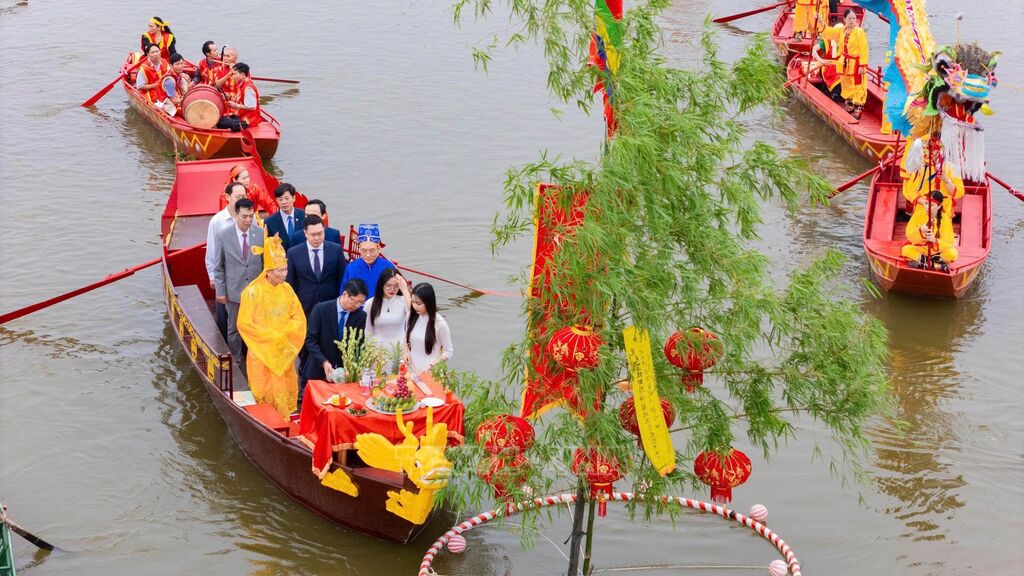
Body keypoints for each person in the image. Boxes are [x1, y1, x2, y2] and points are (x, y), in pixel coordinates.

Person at [236, 234, 307, 418]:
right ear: (268, 271)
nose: (284, 274)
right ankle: (266, 420)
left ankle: (286, 418)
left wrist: (284, 335)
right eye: (279, 270)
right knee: (263, 388)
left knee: (285, 384)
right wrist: (272, 337)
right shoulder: (252, 292)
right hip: (262, 351)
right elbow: (244, 324)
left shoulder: (287, 289)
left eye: (285, 269)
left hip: (283, 349)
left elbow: (298, 317)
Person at [213, 198, 265, 367]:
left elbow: (264, 263)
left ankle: (254, 357)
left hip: (255, 291)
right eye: (244, 216)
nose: (248, 220)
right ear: (236, 215)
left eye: (251, 216)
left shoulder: (260, 233)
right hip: (233, 290)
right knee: (233, 327)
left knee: (255, 326)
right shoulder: (223, 234)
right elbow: (218, 266)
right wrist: (221, 291)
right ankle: (236, 358)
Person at [301, 279, 369, 396]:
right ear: (345, 294)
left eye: (361, 303)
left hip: (343, 375)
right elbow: (310, 340)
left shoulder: (361, 316)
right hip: (318, 370)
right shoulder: (320, 309)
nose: (358, 306)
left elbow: (358, 344)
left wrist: (353, 367)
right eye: (356, 301)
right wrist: (324, 362)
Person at [206, 182, 249, 338]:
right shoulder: (217, 221)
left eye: (244, 196)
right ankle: (224, 345)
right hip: (225, 273)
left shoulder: (250, 218)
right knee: (224, 314)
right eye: (238, 196)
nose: (241, 199)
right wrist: (213, 276)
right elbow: (212, 251)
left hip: (245, 274)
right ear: (228, 197)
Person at [286, 215, 347, 316]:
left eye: (320, 233)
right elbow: (290, 282)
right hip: (304, 306)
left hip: (330, 304)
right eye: (313, 235)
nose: (317, 238)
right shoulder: (293, 253)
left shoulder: (336, 250)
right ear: (305, 233)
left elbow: (342, 278)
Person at [901, 190, 958, 271]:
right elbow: (909, 234)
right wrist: (920, 231)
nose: (927, 207)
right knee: (906, 250)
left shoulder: (945, 219)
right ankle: (935, 265)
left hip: (936, 252)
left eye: (931, 205)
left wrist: (934, 241)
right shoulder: (918, 214)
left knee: (952, 253)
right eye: (926, 203)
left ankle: (923, 263)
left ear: (939, 206)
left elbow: (948, 242)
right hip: (921, 249)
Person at [404, 283, 453, 375]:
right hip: (411, 369)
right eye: (413, 302)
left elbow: (448, 351)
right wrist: (406, 353)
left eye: (419, 303)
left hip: (430, 371)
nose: (415, 306)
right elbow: (406, 338)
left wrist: (432, 366)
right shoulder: (410, 316)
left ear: (428, 302)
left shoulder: (440, 323)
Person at [341, 224, 395, 300]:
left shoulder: (388, 267)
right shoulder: (351, 268)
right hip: (357, 305)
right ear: (359, 249)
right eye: (364, 250)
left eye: (372, 250)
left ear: (379, 249)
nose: (368, 255)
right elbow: (344, 293)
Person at [364, 268, 411, 350]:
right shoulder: (370, 303)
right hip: (378, 350)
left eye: (396, 286)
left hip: (400, 349)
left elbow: (414, 315)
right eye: (388, 285)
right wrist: (369, 351)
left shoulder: (404, 301)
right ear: (381, 285)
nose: (392, 289)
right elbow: (368, 331)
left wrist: (405, 290)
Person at [836, 8, 868, 120]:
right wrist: (820, 21)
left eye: (854, 18)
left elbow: (864, 49)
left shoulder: (859, 32)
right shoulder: (842, 31)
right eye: (850, 18)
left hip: (856, 62)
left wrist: (862, 65)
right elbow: (830, 33)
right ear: (844, 19)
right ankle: (849, 101)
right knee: (846, 82)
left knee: (859, 84)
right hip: (845, 61)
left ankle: (859, 105)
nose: (852, 21)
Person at [264, 183, 304, 250]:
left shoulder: (304, 215)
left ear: (293, 198)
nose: (284, 202)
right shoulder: (269, 222)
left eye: (287, 198)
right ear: (276, 200)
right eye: (280, 199)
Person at [811, 22, 843, 101]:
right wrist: (821, 60)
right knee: (838, 77)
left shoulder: (845, 42)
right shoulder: (826, 42)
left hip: (841, 66)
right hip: (828, 66)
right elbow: (813, 50)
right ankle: (835, 95)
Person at [224, 62, 262, 127]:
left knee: (221, 122)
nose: (232, 77)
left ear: (242, 74)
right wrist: (229, 97)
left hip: (248, 121)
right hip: (241, 116)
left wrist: (236, 105)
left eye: (234, 74)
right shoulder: (241, 84)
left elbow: (252, 107)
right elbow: (240, 99)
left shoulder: (248, 88)